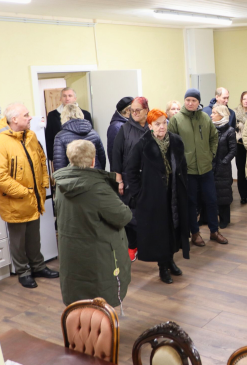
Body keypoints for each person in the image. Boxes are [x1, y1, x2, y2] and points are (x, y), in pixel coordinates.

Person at [54, 140, 132, 306]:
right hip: (98, 254)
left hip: (71, 252)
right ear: (93, 160)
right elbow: (123, 216)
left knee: (78, 299)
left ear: (70, 158)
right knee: (99, 299)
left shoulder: (61, 183)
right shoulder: (97, 187)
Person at [127, 109, 190, 284]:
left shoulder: (175, 141)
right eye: (157, 124)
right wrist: (139, 194)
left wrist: (184, 186)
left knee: (173, 228)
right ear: (150, 126)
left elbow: (183, 166)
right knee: (160, 231)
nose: (162, 127)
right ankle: (163, 266)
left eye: (164, 123)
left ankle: (170, 260)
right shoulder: (142, 144)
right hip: (153, 196)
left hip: (174, 191)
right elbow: (131, 171)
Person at [0, 103, 58, 289]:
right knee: (18, 242)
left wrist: (44, 182)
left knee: (34, 238)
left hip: (34, 198)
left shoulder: (31, 136)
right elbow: (1, 177)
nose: (30, 117)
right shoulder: (2, 141)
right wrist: (24, 192)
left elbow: (41, 160)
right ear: (14, 119)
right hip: (16, 201)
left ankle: (38, 267)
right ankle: (23, 272)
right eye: (26, 115)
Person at [168, 88, 228, 247]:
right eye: (187, 100)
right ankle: (195, 233)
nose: (190, 103)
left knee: (211, 200)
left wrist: (211, 154)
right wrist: (180, 162)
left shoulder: (205, 118)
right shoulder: (176, 120)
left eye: (193, 100)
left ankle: (214, 231)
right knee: (191, 203)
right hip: (188, 170)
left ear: (198, 102)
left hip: (205, 168)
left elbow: (214, 137)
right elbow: (171, 145)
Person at [112, 96, 149, 261]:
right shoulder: (124, 129)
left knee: (148, 213)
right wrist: (119, 180)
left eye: (138, 110)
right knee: (131, 215)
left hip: (149, 179)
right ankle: (132, 246)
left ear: (146, 110)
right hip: (129, 179)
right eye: (131, 110)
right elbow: (116, 155)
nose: (134, 113)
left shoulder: (152, 126)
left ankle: (146, 245)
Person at [45, 87, 93, 165]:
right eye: (64, 96)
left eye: (70, 96)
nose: (67, 98)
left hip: (84, 157)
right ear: (60, 98)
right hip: (62, 156)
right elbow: (49, 139)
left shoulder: (86, 114)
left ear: (75, 98)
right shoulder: (52, 115)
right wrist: (53, 157)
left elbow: (91, 137)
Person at [53, 104, 106, 172]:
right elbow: (102, 159)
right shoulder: (94, 133)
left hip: (72, 175)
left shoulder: (60, 136)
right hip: (94, 173)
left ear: (63, 116)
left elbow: (59, 164)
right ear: (80, 114)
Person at [211, 104, 237, 229]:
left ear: (221, 115)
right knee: (212, 194)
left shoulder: (230, 131)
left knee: (224, 194)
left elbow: (233, 150)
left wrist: (224, 162)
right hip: (211, 167)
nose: (211, 115)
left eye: (214, 113)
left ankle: (224, 220)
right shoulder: (211, 129)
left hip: (223, 168)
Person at [234, 91, 247, 204]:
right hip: (239, 145)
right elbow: (233, 128)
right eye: (244, 99)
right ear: (241, 100)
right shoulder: (235, 112)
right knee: (241, 171)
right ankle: (243, 196)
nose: (246, 101)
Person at [107, 97, 133, 169]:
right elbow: (113, 153)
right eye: (134, 110)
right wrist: (116, 172)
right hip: (122, 171)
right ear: (128, 110)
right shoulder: (116, 127)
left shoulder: (129, 123)